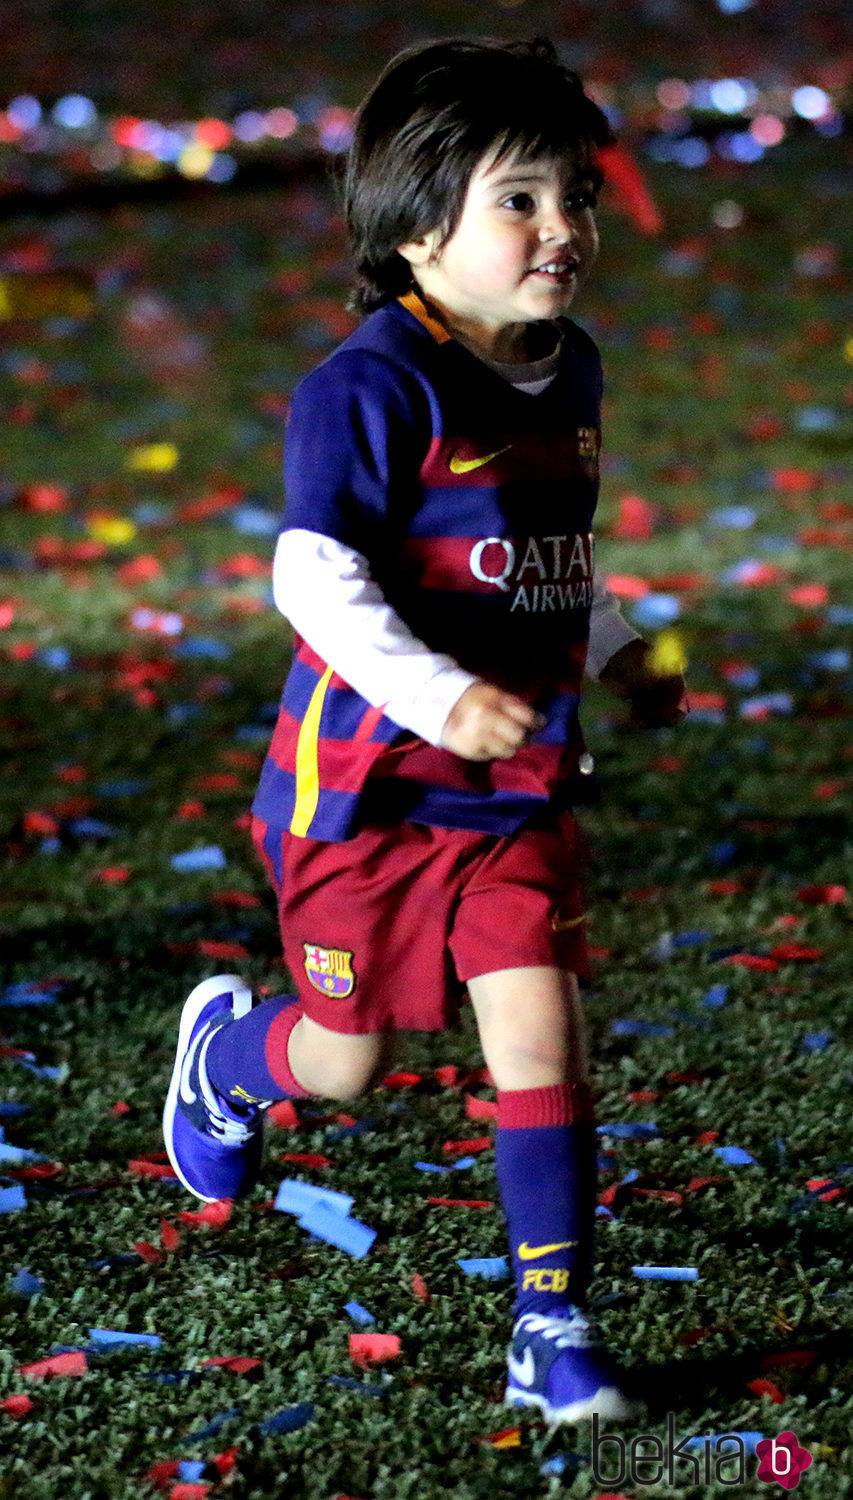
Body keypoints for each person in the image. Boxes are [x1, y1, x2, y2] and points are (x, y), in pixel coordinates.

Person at [163, 36, 686, 1427]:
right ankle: (224, 1065)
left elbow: (542, 565)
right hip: (370, 796)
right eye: (519, 199)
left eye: (571, 193)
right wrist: (439, 697)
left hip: (508, 794)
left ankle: (549, 1320)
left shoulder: (568, 372)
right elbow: (311, 577)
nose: (563, 227)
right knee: (346, 1061)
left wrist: (624, 653)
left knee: (541, 1030)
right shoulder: (368, 384)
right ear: (411, 223)